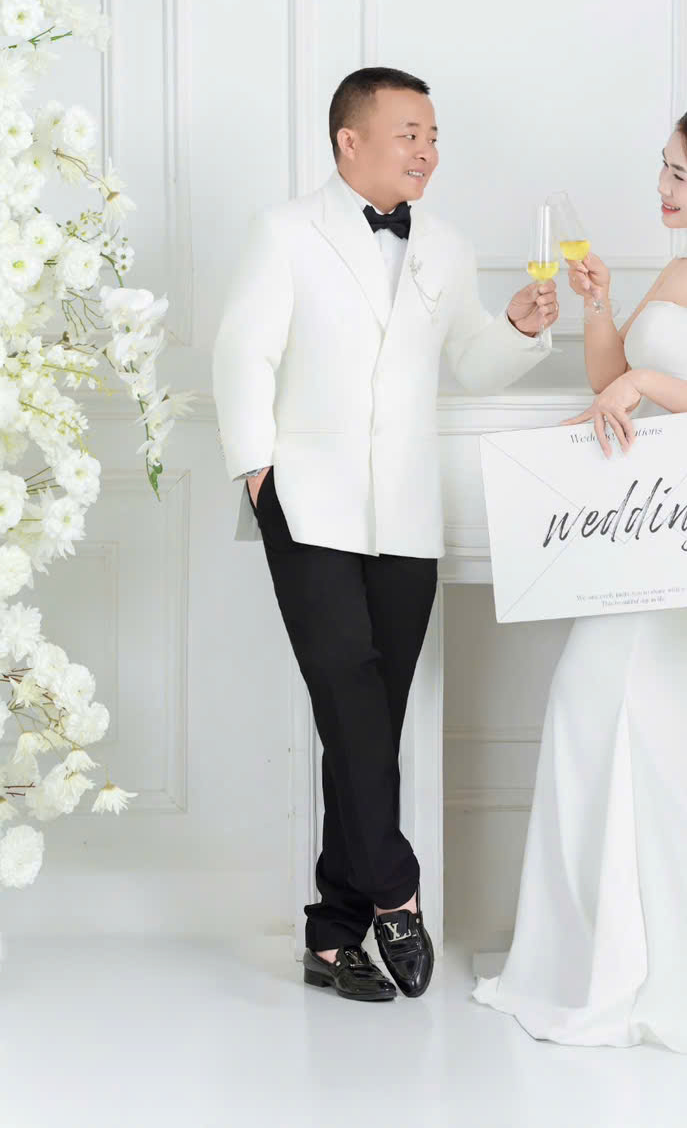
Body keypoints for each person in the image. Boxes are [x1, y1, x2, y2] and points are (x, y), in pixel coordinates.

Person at [212, 66, 558, 1003]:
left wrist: (519, 327)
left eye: (434, 136)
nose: (427, 152)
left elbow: (474, 361)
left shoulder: (446, 245)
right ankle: (397, 893)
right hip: (306, 504)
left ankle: (332, 937)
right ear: (349, 139)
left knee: (368, 720)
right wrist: (257, 470)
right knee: (349, 695)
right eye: (410, 133)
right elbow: (242, 350)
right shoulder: (285, 232)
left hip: (406, 515)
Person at [472, 98, 687, 1052]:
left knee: (623, 706)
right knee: (626, 716)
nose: (660, 186)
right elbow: (608, 381)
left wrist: (645, 382)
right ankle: (608, 953)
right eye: (661, 166)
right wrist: (601, 307)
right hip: (648, 530)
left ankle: (657, 961)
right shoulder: (684, 263)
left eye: (678, 174)